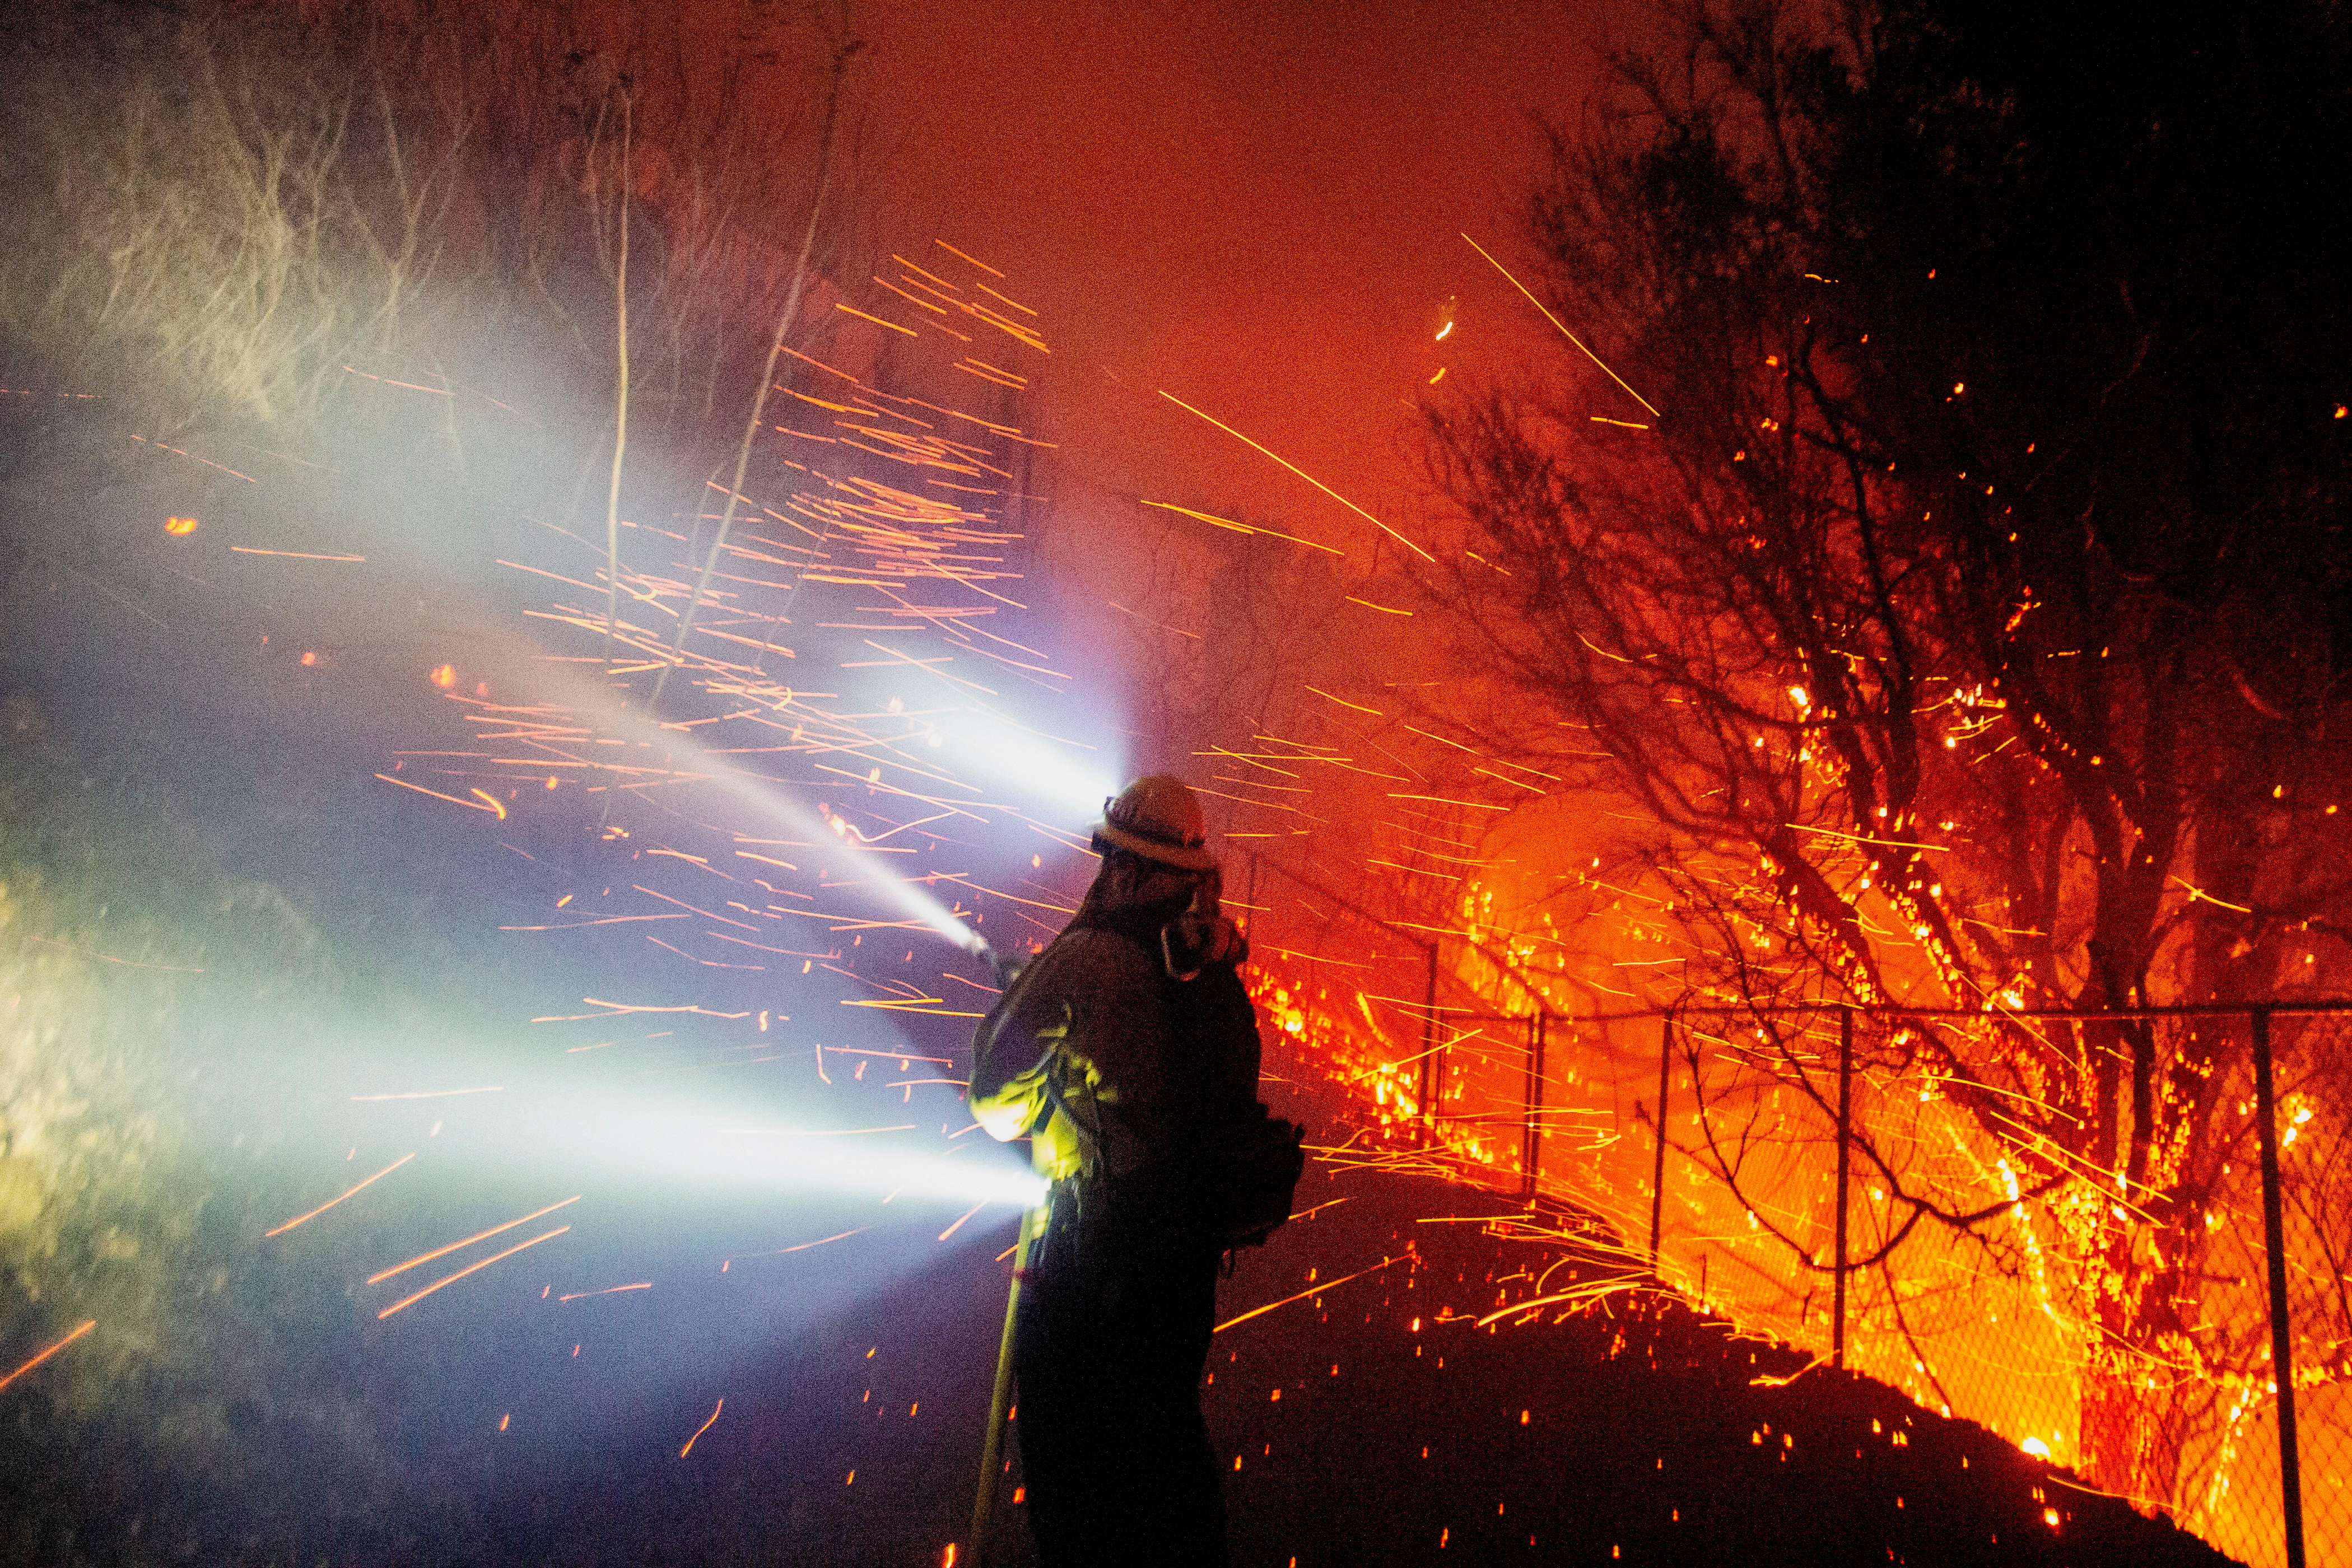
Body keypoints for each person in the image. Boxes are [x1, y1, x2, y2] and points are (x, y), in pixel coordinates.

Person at [967, 774, 1274, 1568]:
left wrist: (1043, 1065)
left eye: (1109, 859)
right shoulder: (1210, 963)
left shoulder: (1087, 958)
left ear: (1128, 867)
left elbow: (993, 1099)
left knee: (1077, 1484)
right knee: (1163, 1460)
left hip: (1092, 1263)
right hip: (1182, 1265)